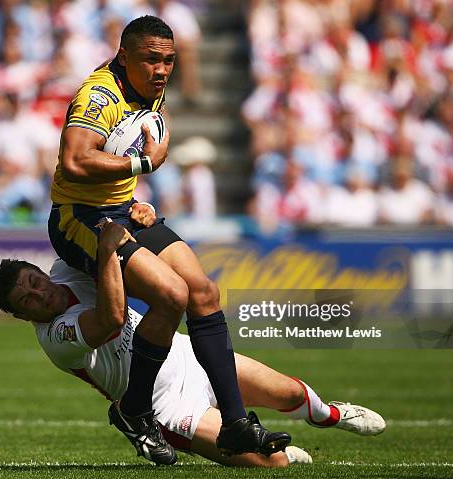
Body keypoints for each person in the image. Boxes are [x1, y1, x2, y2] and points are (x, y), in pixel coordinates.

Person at [49, 15, 287, 464]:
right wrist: (144, 167)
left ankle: (235, 423)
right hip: (79, 220)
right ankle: (136, 409)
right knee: (171, 295)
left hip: (123, 210)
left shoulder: (150, 89)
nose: (161, 70)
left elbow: (128, 147)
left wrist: (137, 194)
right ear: (124, 56)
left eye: (169, 61)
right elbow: (76, 161)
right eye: (151, 60)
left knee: (203, 291)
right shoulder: (99, 95)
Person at [0, 221, 387, 467]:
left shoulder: (67, 267)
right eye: (28, 301)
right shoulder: (56, 338)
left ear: (41, 272)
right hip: (166, 407)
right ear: (23, 317)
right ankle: (268, 450)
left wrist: (137, 218)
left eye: (35, 284)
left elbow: (102, 223)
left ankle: (330, 414)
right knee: (276, 464)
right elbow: (110, 319)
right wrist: (110, 247)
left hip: (184, 355)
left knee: (287, 392)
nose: (40, 296)